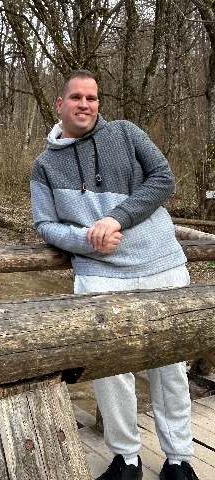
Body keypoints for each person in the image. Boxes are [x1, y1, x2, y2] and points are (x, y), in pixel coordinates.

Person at [30, 69, 199, 480]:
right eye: (76, 97)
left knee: (171, 368)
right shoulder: (44, 166)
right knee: (110, 371)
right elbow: (45, 224)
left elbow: (163, 179)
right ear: (60, 104)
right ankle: (126, 459)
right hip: (99, 273)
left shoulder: (126, 133)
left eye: (91, 97)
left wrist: (116, 218)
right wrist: (87, 240)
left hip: (162, 265)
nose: (84, 104)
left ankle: (179, 459)